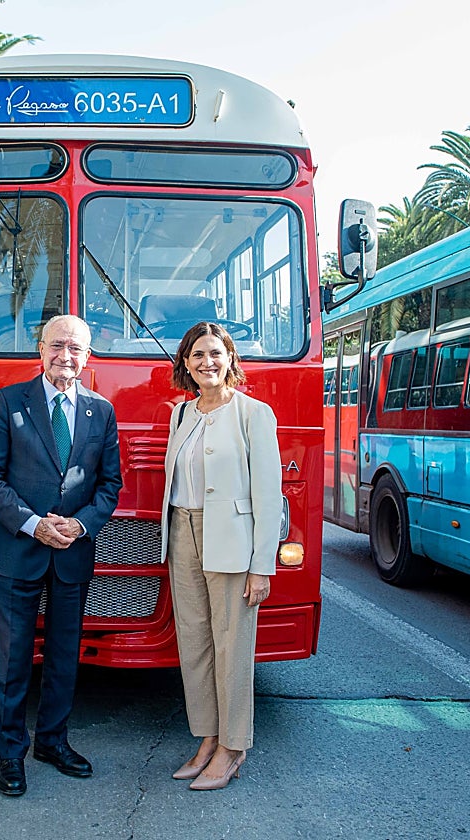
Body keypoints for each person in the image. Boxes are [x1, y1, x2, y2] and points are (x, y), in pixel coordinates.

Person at [0, 314, 123, 797]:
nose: (66, 356)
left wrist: (80, 525)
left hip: (72, 553)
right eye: (57, 346)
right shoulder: (9, 402)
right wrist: (34, 523)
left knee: (63, 658)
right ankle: (10, 754)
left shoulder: (100, 411)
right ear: (40, 351)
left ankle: (52, 742)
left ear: (87, 356)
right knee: (11, 659)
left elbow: (110, 484)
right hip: (19, 550)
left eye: (76, 348)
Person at [161, 321, 282, 791]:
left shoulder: (254, 413)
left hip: (231, 541)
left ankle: (234, 747)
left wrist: (262, 565)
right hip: (183, 533)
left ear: (230, 359)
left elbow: (268, 495)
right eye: (196, 355)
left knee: (232, 646)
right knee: (194, 644)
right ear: (185, 365)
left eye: (215, 353)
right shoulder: (181, 414)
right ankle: (208, 738)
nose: (206, 362)